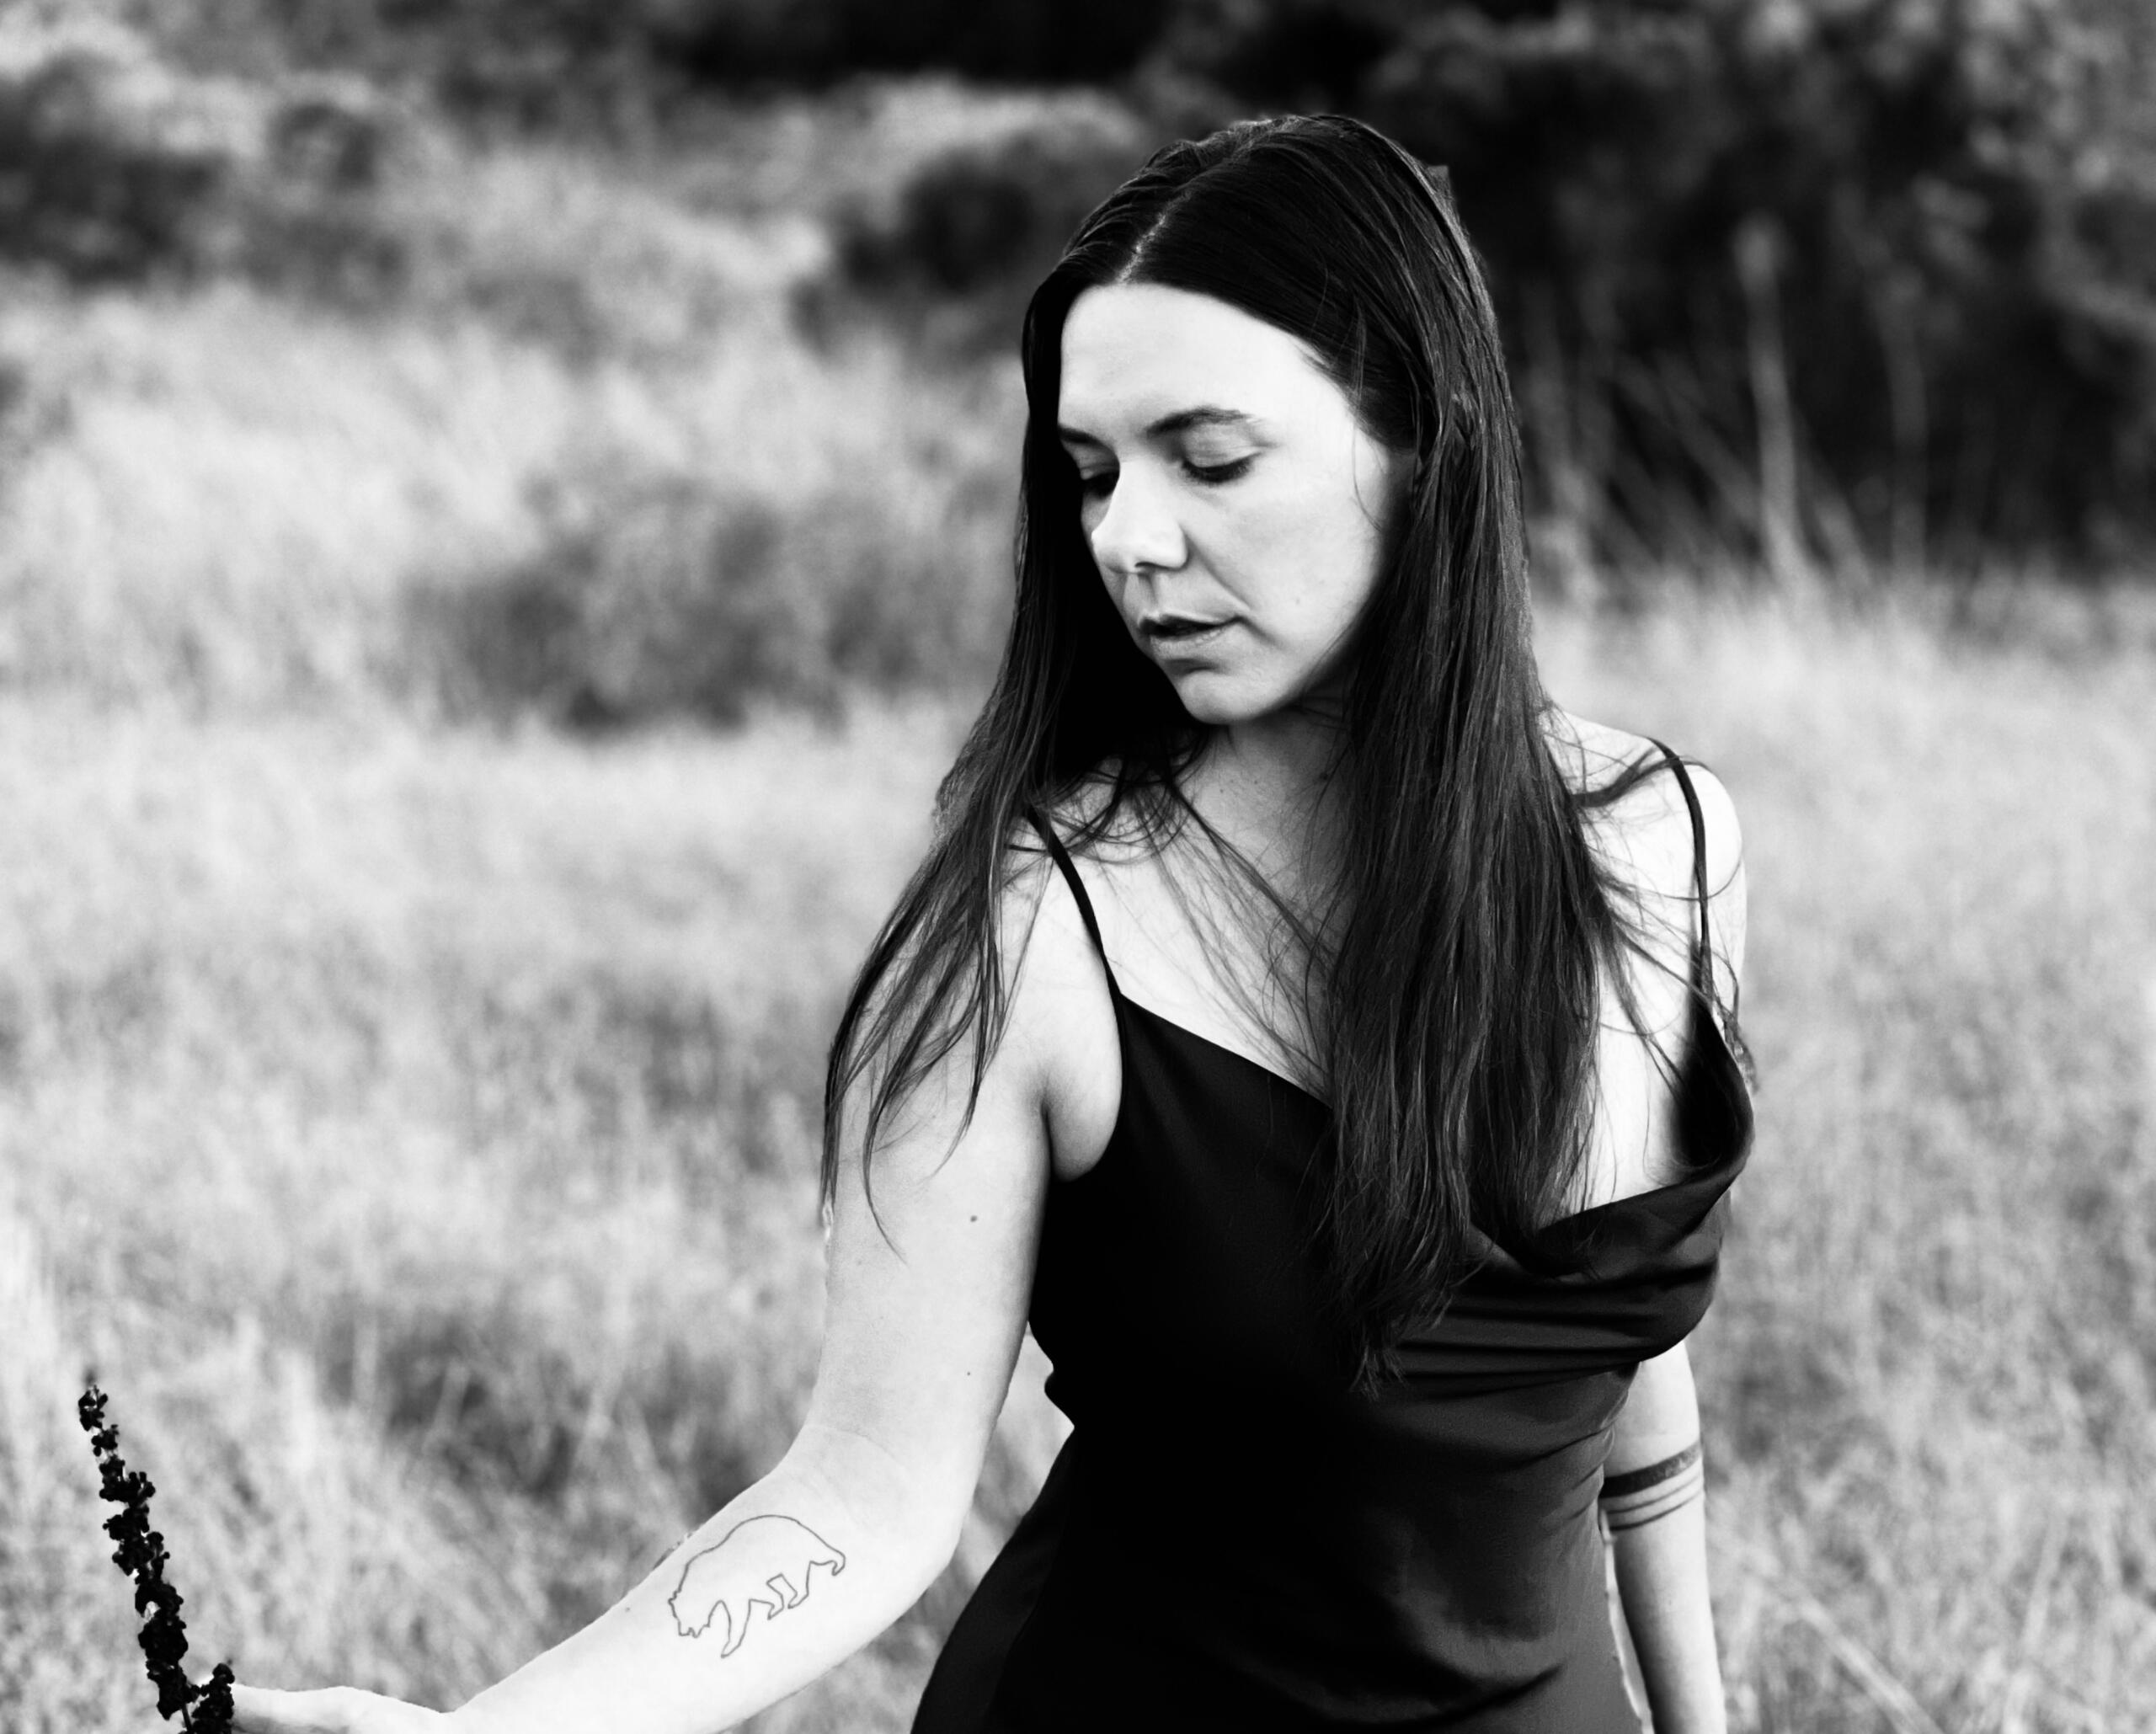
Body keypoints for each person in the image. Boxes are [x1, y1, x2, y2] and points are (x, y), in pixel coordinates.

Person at [233, 113, 1751, 1734]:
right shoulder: (1035, 935)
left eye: (1210, 460)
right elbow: (862, 1495)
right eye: (1092, 474)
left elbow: (1612, 1357)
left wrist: (1703, 1719)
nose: (1129, 540)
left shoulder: (1666, 841)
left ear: (1425, 439)